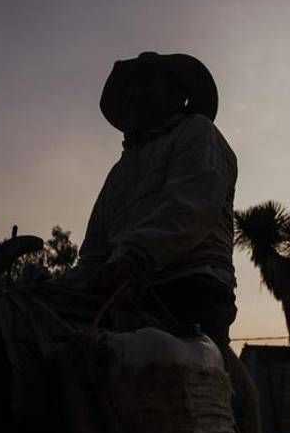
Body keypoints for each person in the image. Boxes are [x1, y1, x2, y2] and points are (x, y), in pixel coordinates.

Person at [45, 51, 239, 347]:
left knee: (186, 362)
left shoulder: (198, 132)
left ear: (177, 93)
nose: (135, 93)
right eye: (130, 87)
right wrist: (55, 287)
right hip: (121, 289)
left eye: (147, 82)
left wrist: (134, 255)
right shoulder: (120, 171)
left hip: (189, 281)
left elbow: (189, 209)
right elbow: (94, 254)